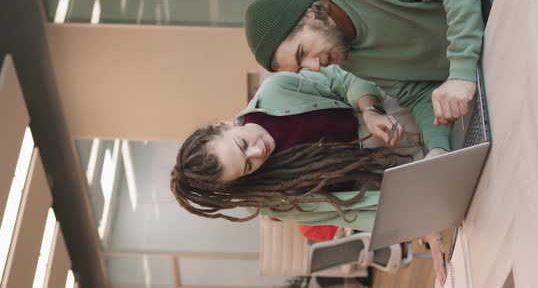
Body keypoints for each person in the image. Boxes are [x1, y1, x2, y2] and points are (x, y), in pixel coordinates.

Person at [171, 65, 448, 284]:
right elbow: (357, 211)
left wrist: (368, 109)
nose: (258, 152)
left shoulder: (276, 91)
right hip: (409, 173)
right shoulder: (275, 199)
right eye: (247, 166)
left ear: (225, 124)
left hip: (405, 110)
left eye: (242, 144)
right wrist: (424, 225)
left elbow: (344, 77)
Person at [244, 0, 530, 154]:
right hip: (506, 59)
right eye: (301, 68)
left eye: (303, 52)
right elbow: (416, 92)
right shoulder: (349, 57)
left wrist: (461, 70)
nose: (313, 67)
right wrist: (439, 147)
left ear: (308, 15)